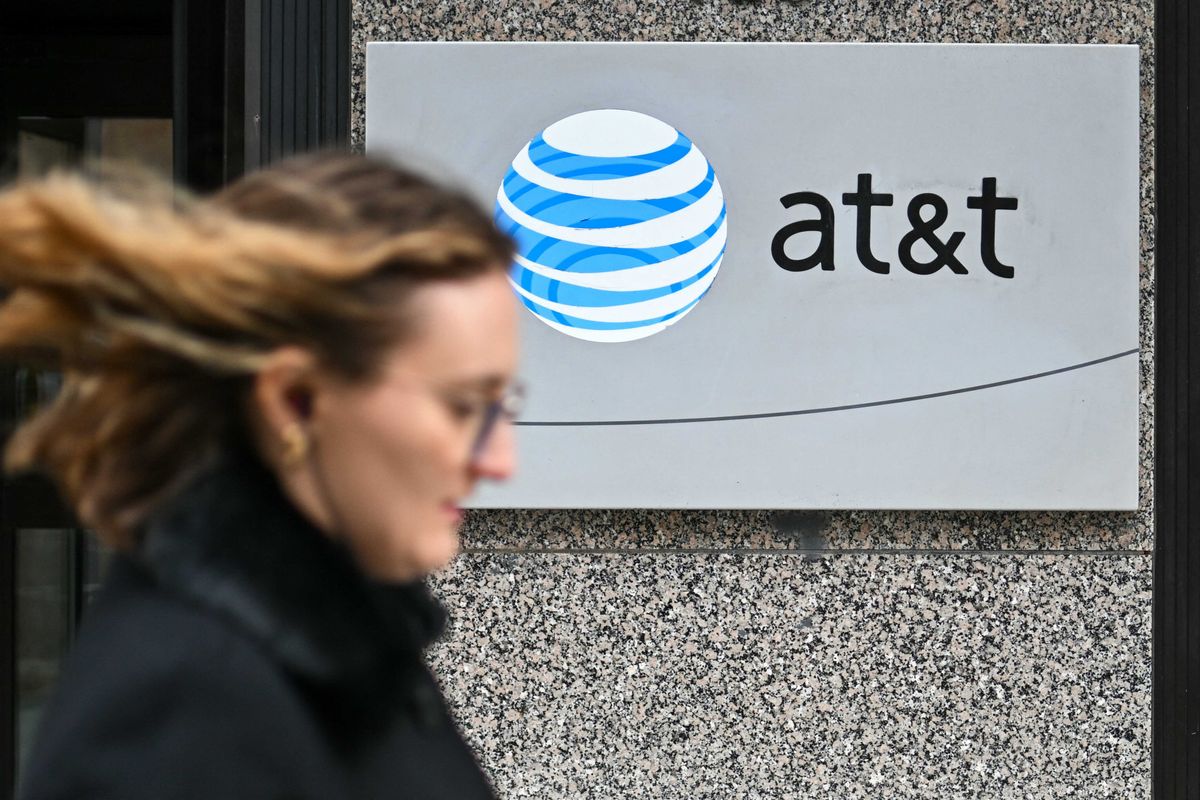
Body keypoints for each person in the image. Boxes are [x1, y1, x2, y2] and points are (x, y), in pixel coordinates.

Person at [0, 153, 522, 799]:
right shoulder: (188, 707)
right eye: (465, 406)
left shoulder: (331, 645)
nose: (500, 461)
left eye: (503, 405)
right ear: (294, 400)